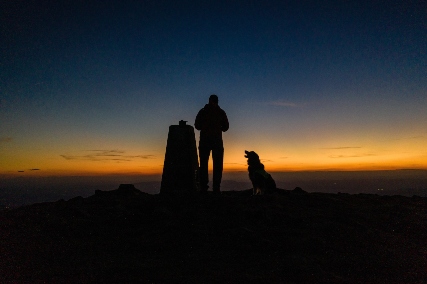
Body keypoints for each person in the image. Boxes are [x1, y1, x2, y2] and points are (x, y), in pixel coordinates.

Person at [195, 94, 229, 194]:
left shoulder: (203, 111)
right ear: (217, 101)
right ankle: (216, 188)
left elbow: (197, 125)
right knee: (218, 165)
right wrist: (219, 128)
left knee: (204, 164)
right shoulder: (221, 112)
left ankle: (204, 188)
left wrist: (205, 128)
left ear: (209, 100)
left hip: (204, 141)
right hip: (217, 142)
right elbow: (226, 127)